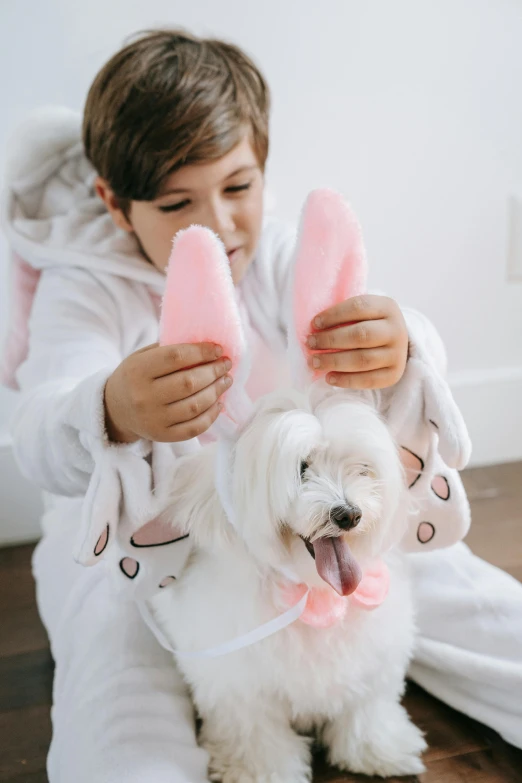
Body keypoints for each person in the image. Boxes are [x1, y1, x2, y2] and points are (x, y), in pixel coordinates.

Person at [2, 28, 521, 783]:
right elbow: (40, 431)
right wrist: (109, 406)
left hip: (311, 519)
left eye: (237, 187)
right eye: (177, 201)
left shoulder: (281, 257)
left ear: (263, 169)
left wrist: (404, 341)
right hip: (139, 543)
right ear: (115, 203)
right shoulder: (84, 289)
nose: (216, 223)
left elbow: (392, 365)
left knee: (460, 594)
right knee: (118, 713)